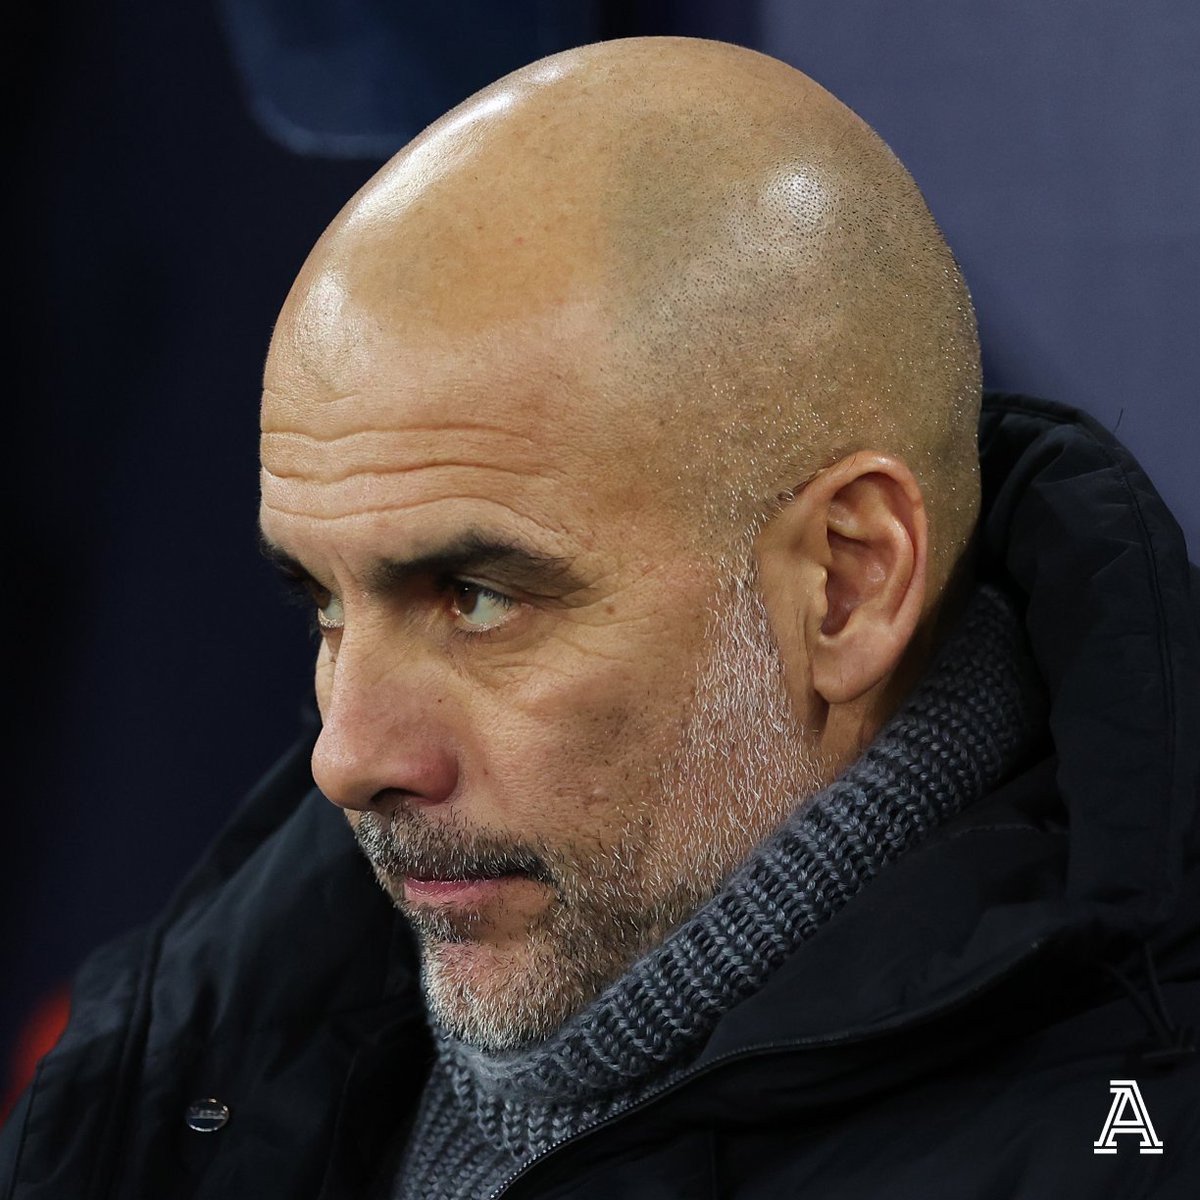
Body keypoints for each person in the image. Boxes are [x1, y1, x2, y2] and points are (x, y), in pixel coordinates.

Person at [3, 36, 1196, 1200]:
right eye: (324, 603)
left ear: (846, 583)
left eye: (476, 599)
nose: (347, 759)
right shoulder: (169, 1063)